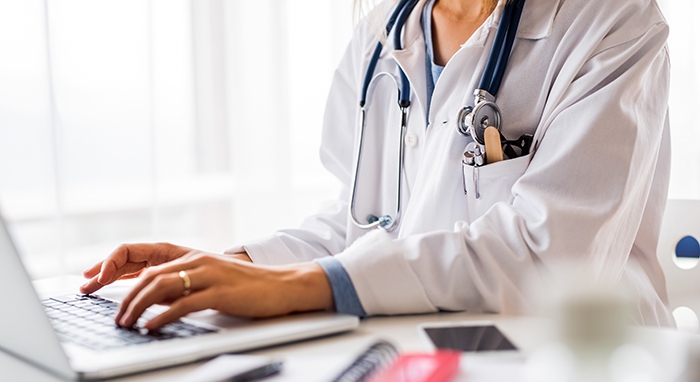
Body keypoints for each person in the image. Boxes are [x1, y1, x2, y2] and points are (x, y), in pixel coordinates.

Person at [80, 0, 673, 330]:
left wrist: (304, 286)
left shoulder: (612, 22)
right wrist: (233, 265)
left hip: (580, 360)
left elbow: (551, 261)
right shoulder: (382, 35)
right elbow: (361, 222)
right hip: (419, 347)